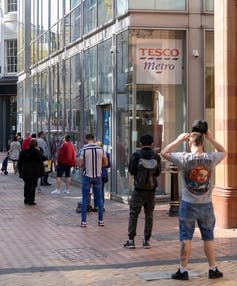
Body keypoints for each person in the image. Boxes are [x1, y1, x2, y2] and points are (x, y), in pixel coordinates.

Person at [161, 130, 226, 280]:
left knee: (186, 237)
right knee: (208, 237)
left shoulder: (184, 158)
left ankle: (183, 270)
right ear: (203, 143)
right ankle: (213, 269)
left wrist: (178, 140)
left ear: (189, 143)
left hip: (188, 204)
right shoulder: (211, 158)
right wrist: (211, 137)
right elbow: (224, 151)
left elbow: (164, 153)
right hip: (206, 204)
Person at [124, 134, 161, 249]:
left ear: (140, 143)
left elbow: (131, 170)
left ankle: (131, 240)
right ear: (152, 144)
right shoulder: (156, 156)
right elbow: (158, 172)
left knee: (133, 214)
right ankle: (146, 241)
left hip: (138, 190)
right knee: (149, 215)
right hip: (151, 191)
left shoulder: (136, 155)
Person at [78, 134, 108, 227]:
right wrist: (100, 166)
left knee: (85, 198)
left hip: (87, 175)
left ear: (86, 139)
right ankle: (100, 220)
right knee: (99, 198)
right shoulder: (101, 149)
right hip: (98, 176)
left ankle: (84, 222)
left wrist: (84, 165)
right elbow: (106, 163)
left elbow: (80, 164)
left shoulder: (84, 149)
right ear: (94, 139)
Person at [18, 139, 46, 205]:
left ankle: (26, 199)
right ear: (36, 145)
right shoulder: (37, 152)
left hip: (25, 171)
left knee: (26, 185)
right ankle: (31, 200)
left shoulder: (24, 152)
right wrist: (39, 150)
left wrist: (20, 171)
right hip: (35, 172)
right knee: (33, 186)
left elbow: (20, 163)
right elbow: (44, 158)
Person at [93, 141, 110, 212]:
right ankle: (101, 206)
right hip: (103, 175)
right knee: (101, 191)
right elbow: (109, 164)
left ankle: (96, 206)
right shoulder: (106, 153)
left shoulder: (94, 154)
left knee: (95, 191)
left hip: (95, 174)